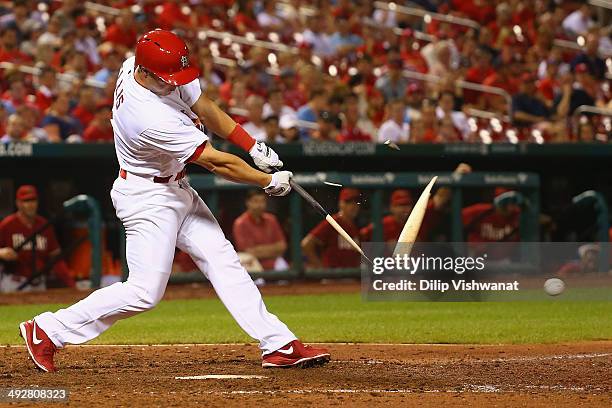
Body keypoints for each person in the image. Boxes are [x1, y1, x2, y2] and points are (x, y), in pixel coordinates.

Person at [18, 29, 329, 373]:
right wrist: (267, 181)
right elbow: (215, 162)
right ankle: (46, 330)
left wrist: (251, 144)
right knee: (144, 292)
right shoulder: (148, 116)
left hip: (176, 186)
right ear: (145, 72)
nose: (175, 84)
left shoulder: (143, 65)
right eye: (168, 79)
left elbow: (204, 105)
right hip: (147, 197)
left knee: (224, 262)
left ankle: (278, 344)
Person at [0, 185, 74, 293]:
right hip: (13, 282)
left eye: (33, 200)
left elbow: (56, 258)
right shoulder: (7, 225)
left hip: (39, 283)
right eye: (26, 201)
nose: (30, 205)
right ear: (18, 203)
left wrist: (71, 284)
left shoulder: (44, 225)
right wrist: (1, 252)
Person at [301, 188, 362, 269]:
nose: (353, 206)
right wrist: (321, 268)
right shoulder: (333, 222)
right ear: (341, 204)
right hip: (333, 278)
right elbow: (306, 244)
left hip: (350, 278)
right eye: (348, 202)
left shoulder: (355, 227)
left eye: (356, 202)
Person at [232, 189, 288, 271]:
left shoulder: (271, 219)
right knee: (245, 261)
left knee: (283, 268)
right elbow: (247, 252)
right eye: (255, 201)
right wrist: (273, 250)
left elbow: (282, 246)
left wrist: (259, 250)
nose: (259, 205)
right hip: (252, 263)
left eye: (262, 201)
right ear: (248, 203)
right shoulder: (240, 223)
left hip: (273, 261)